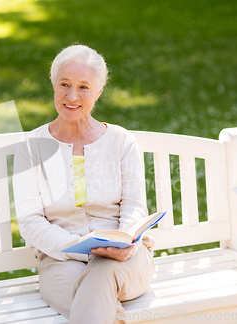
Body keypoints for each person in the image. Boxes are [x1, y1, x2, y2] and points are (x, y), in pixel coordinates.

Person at [13, 44, 155, 324]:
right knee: (96, 298)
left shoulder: (121, 141)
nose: (72, 96)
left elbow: (135, 207)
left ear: (99, 91)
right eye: (65, 84)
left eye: (84, 87)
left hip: (124, 261)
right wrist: (78, 246)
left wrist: (124, 242)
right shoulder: (31, 146)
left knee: (101, 276)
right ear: (53, 84)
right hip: (62, 261)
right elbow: (30, 221)